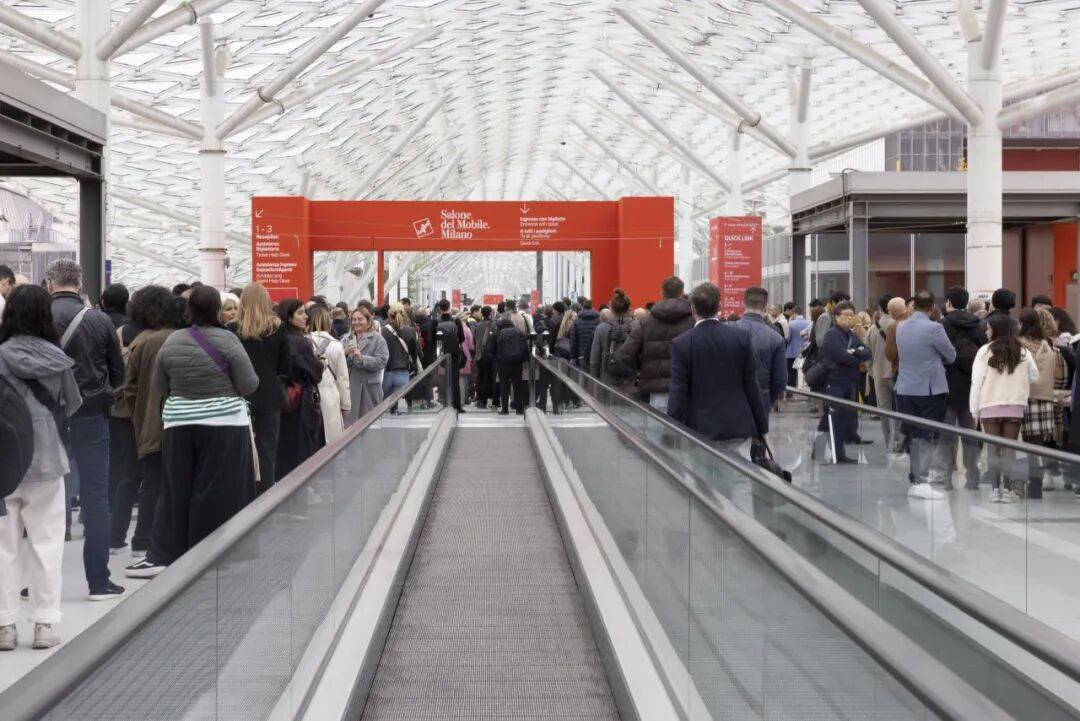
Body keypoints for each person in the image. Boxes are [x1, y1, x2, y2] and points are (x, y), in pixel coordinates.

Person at [124, 286, 257, 579]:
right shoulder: (229, 340)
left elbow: (160, 386)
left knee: (175, 489)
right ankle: (215, 553)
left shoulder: (173, 341)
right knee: (218, 489)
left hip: (179, 423)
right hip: (224, 424)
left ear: (188, 310)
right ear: (218, 310)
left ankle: (165, 554)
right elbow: (249, 384)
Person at [0, 285, 82, 649]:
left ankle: (4, 626)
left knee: (3, 547)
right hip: (47, 460)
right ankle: (45, 624)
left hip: (4, 462)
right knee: (46, 543)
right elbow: (72, 405)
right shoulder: (57, 359)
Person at [47, 259, 125, 600]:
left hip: (47, 416)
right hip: (91, 414)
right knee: (95, 496)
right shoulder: (99, 320)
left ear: (50, 285)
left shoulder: (38, 317)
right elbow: (119, 373)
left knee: (45, 495)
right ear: (80, 285)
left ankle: (36, 583)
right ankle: (98, 581)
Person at [115, 286, 180, 561]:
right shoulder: (175, 339)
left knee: (138, 479)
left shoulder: (140, 341)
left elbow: (128, 388)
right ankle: (148, 538)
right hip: (171, 419)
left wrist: (137, 414)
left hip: (142, 421)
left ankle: (131, 538)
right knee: (162, 482)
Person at [668, 282, 766, 453]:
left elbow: (678, 391)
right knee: (737, 469)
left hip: (699, 427)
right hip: (737, 424)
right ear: (719, 306)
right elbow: (751, 384)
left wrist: (670, 430)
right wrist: (761, 426)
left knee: (699, 469)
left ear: (693, 309)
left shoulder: (681, 343)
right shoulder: (740, 337)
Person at [970, 314, 1040, 503]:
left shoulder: (984, 351)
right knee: (1010, 448)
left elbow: (976, 381)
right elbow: (1035, 376)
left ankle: (995, 490)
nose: (986, 331)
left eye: (988, 328)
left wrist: (974, 408)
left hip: (989, 404)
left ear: (996, 330)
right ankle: (1009, 490)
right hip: (1015, 404)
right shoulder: (1022, 351)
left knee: (992, 449)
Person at [230, 283, 290, 494]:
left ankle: (242, 490)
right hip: (270, 395)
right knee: (267, 447)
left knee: (240, 446)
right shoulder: (278, 328)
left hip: (239, 394)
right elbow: (285, 367)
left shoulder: (232, 330)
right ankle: (266, 490)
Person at [894, 291, 955, 498]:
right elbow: (951, 355)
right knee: (928, 434)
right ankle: (922, 480)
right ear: (932, 308)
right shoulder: (934, 328)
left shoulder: (901, 327)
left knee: (913, 433)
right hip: (928, 387)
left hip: (905, 387)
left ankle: (916, 479)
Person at [614, 275, 693, 410]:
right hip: (687, 387)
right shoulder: (693, 321)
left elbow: (625, 354)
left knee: (658, 422)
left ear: (662, 293)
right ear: (682, 293)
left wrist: (642, 368)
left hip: (656, 390)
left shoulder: (646, 322)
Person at [939, 286, 985, 490]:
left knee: (946, 436)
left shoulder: (943, 324)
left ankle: (946, 477)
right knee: (970, 435)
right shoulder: (978, 324)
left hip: (947, 385)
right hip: (971, 385)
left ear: (948, 302)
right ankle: (972, 476)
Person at [1018, 308, 1066, 496]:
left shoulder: (1019, 344)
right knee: (1038, 446)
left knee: (1024, 444)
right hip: (1045, 399)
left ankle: (1028, 482)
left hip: (1025, 397)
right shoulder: (1047, 345)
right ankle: (1036, 484)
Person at [275, 299, 324, 479]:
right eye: (300, 313)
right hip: (300, 401)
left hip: (280, 399)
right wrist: (320, 364)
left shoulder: (276, 338)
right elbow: (314, 372)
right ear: (289, 317)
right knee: (301, 448)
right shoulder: (300, 342)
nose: (305, 317)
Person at [819, 302, 872, 464]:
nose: (849, 318)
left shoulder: (851, 335)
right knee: (835, 417)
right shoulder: (832, 335)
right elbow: (841, 356)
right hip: (835, 381)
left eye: (851, 315)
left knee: (840, 417)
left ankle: (820, 450)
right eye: (846, 315)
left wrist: (853, 352)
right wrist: (856, 356)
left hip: (850, 382)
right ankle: (836, 452)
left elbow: (867, 352)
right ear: (836, 316)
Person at [736, 287, 787, 422]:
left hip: (731, 400)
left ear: (743, 304)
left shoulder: (727, 330)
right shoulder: (776, 338)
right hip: (761, 398)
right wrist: (768, 400)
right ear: (765, 307)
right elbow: (780, 380)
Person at [308, 306, 350, 443]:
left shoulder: (303, 341)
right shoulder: (336, 345)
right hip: (330, 394)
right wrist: (345, 405)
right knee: (332, 439)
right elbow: (342, 378)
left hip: (308, 395)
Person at [343, 305, 389, 423]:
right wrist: (344, 353)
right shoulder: (345, 339)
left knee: (370, 424)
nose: (356, 322)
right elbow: (336, 362)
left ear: (368, 320)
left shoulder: (378, 339)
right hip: (350, 389)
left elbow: (382, 361)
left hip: (369, 389)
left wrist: (362, 358)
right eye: (354, 319)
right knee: (350, 426)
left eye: (360, 319)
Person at [866, 296, 897, 446]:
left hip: (878, 375)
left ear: (880, 309)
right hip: (897, 374)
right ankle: (899, 442)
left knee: (884, 412)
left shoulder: (872, 329)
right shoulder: (899, 326)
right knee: (900, 411)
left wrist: (872, 371)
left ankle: (888, 443)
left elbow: (867, 355)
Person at [590, 288, 635, 387]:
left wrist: (594, 382)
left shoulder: (601, 328)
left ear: (611, 308)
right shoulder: (637, 327)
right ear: (628, 307)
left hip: (607, 380)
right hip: (631, 380)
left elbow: (595, 360)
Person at [381, 302, 420, 410]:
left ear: (389, 315)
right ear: (403, 314)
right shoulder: (411, 331)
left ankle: (392, 411)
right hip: (403, 373)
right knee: (395, 401)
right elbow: (415, 353)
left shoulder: (382, 331)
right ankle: (395, 410)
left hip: (386, 373)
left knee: (383, 407)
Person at [433, 299, 466, 411]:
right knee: (455, 379)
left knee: (443, 378)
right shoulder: (456, 321)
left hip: (441, 354)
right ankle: (457, 405)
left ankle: (444, 402)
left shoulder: (435, 322)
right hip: (454, 354)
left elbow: (431, 340)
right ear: (449, 307)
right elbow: (462, 339)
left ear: (439, 308)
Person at [494, 310, 529, 415]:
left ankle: (505, 409)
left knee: (504, 387)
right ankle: (519, 409)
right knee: (518, 386)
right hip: (517, 363)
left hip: (503, 364)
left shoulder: (500, 333)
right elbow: (525, 348)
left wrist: (498, 360)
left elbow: (497, 349)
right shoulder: (519, 332)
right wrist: (523, 359)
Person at [472, 306, 495, 409]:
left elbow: (474, 339)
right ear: (490, 313)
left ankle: (481, 399)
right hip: (489, 354)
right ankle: (488, 398)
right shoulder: (493, 324)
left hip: (479, 355)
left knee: (480, 377)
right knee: (488, 377)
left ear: (482, 314)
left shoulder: (478, 325)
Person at [784, 303, 810, 395]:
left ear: (794, 313)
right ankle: (804, 391)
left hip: (791, 351)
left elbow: (788, 338)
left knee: (791, 373)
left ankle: (791, 392)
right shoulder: (808, 322)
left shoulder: (791, 324)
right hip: (804, 351)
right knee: (803, 372)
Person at [568, 298, 600, 368]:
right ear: (592, 307)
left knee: (582, 374)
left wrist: (573, 357)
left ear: (582, 307)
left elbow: (573, 341)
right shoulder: (598, 320)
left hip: (581, 355)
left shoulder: (577, 321)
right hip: (595, 354)